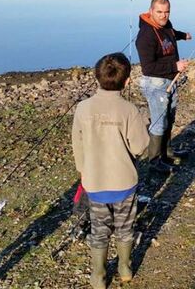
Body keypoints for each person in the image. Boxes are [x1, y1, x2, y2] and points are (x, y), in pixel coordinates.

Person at [72, 53, 149, 289]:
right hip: (124, 183)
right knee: (125, 228)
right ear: (126, 81)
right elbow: (141, 147)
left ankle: (98, 277)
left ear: (97, 78)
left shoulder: (83, 108)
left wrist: (84, 171)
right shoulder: (129, 110)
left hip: (94, 183)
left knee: (99, 229)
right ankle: (125, 268)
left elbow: (77, 144)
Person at [136, 0, 192, 173]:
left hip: (170, 79)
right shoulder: (145, 36)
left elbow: (171, 34)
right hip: (155, 83)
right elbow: (148, 67)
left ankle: (167, 152)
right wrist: (175, 65)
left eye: (166, 12)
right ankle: (154, 161)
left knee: (170, 117)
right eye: (159, 12)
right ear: (151, 11)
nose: (163, 16)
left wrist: (184, 35)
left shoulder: (166, 24)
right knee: (159, 123)